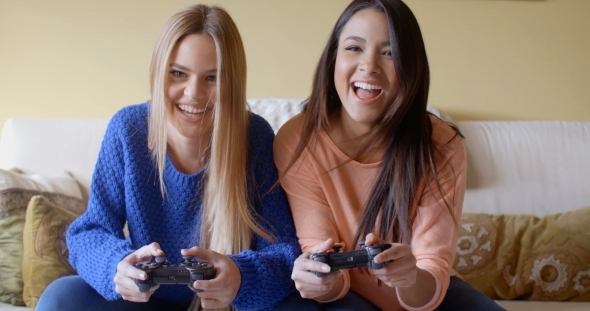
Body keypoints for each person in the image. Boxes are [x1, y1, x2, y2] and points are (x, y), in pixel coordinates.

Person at [37, 4, 300, 311]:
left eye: (212, 78)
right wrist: (117, 267)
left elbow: (285, 252)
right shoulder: (128, 129)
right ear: (159, 74)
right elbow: (89, 231)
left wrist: (241, 276)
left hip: (225, 305)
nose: (193, 93)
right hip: (145, 302)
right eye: (178, 73)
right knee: (60, 297)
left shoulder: (255, 136)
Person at [273, 0, 506, 310]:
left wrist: (409, 277)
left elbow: (432, 270)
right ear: (333, 60)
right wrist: (319, 281)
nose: (369, 66)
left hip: (423, 290)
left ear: (411, 68)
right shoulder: (297, 139)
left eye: (389, 52)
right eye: (354, 48)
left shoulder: (442, 145)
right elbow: (321, 256)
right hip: (345, 295)